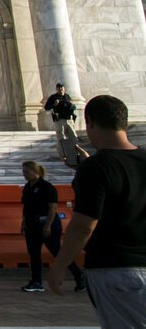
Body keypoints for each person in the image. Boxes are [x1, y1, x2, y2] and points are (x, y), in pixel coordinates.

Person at [46, 95, 146, 328]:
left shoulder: (96, 168)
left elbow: (83, 225)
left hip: (116, 269)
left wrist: (60, 265)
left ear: (89, 122)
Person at [19, 161, 85, 293]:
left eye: (27, 172)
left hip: (46, 223)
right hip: (32, 225)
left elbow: (52, 208)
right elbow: (26, 208)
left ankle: (79, 275)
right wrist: (24, 222)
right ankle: (36, 281)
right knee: (34, 254)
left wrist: (48, 225)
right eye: (23, 172)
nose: (24, 175)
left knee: (57, 252)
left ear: (35, 172)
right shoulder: (27, 187)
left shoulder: (47, 187)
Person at [43, 83, 78, 162]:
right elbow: (46, 107)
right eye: (59, 88)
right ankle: (63, 154)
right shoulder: (53, 97)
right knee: (61, 137)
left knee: (73, 136)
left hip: (69, 119)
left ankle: (75, 152)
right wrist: (54, 104)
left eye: (61, 87)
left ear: (64, 88)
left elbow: (71, 106)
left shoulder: (67, 96)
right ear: (56, 89)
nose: (60, 89)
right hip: (60, 120)